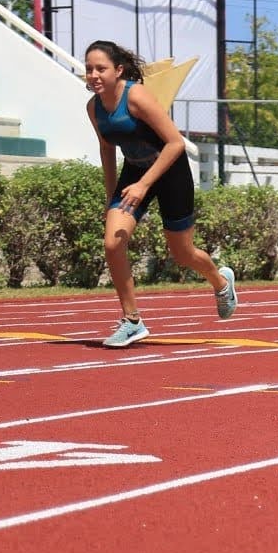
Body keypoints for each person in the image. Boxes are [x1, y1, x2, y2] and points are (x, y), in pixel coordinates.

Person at [84, 40, 237, 348]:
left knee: (182, 253)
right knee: (113, 242)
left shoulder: (136, 96)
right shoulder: (94, 108)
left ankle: (220, 282)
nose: (94, 75)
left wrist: (144, 185)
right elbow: (106, 148)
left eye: (101, 68)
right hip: (134, 172)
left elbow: (175, 143)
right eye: (89, 69)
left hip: (170, 172)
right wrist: (110, 194)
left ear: (119, 70)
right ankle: (132, 321)